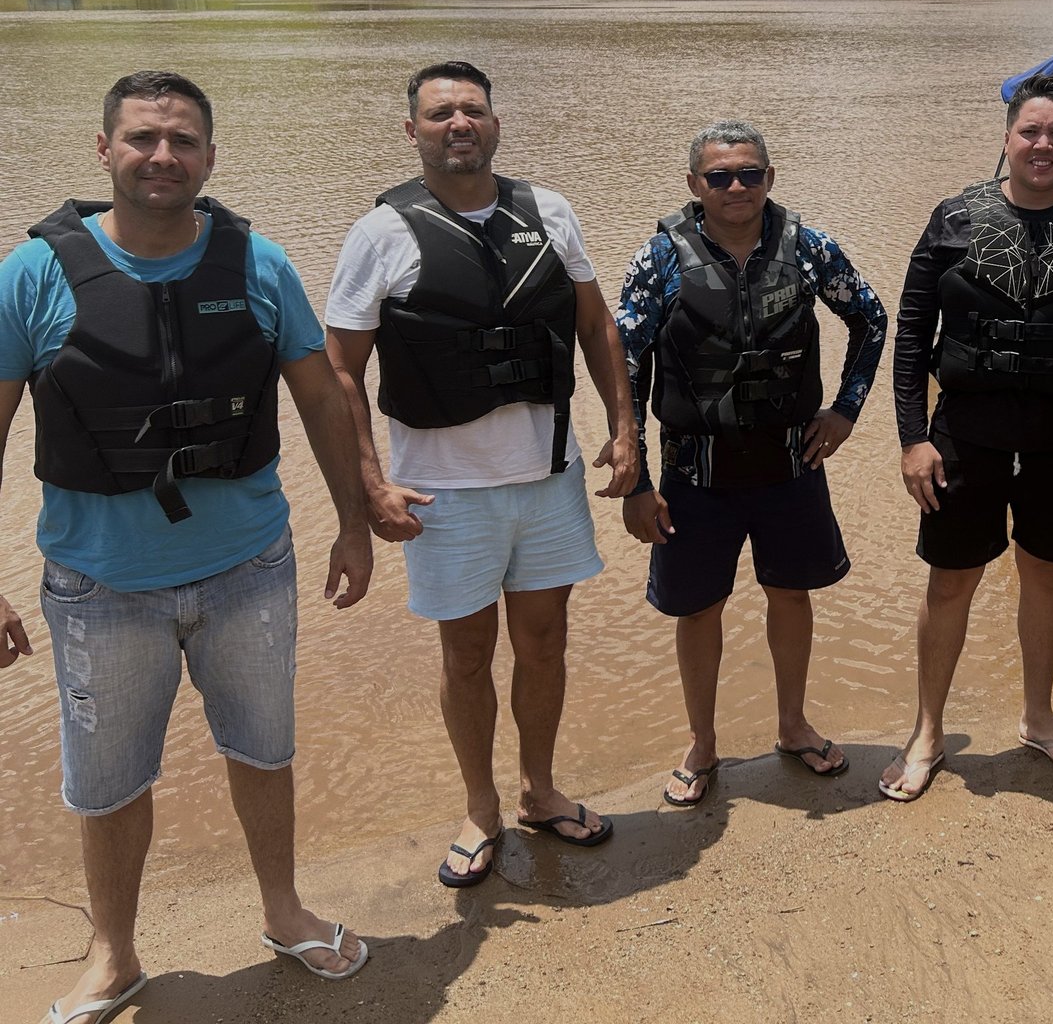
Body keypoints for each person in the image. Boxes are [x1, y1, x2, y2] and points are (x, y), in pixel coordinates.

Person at [0, 71, 372, 1022]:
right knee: (107, 783)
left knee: (264, 751)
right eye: (141, 139)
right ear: (103, 150)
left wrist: (354, 521)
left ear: (210, 156)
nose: (162, 156)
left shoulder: (260, 265)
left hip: (250, 568)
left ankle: (285, 912)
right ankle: (114, 956)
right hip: (98, 585)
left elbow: (321, 397)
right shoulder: (31, 276)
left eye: (183, 141)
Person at [325, 61, 637, 888]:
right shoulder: (382, 234)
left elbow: (597, 323)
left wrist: (626, 426)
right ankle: (480, 806)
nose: (458, 124)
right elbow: (341, 370)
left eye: (472, 110)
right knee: (466, 656)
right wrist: (370, 485)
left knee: (545, 642)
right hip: (444, 490)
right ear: (413, 131)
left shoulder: (551, 212)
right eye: (439, 115)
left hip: (547, 477)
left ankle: (538, 789)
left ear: (495, 122)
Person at [881, 74, 1053, 802]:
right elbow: (910, 338)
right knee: (950, 582)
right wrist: (912, 438)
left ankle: (1038, 716)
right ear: (1006, 138)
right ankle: (928, 730)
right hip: (966, 435)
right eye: (1030, 131)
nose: (1042, 144)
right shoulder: (953, 219)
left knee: (1046, 573)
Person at [617, 121, 887, 805]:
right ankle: (702, 744)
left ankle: (793, 725)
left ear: (770, 177)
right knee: (697, 609)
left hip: (790, 466)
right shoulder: (660, 260)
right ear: (693, 186)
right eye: (720, 177)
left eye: (750, 174)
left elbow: (873, 318)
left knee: (790, 594)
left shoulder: (811, 249)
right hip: (694, 475)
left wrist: (847, 410)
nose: (736, 187)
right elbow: (623, 365)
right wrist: (637, 478)